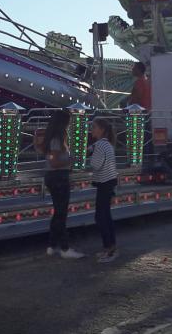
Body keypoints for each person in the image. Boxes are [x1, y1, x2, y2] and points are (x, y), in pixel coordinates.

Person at [42, 110, 84, 259]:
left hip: (55, 177)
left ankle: (52, 245)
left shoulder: (55, 138)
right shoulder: (57, 140)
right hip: (58, 177)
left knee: (58, 212)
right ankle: (65, 247)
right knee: (61, 213)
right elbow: (54, 162)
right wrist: (71, 161)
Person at [88, 119, 119, 263]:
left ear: (101, 130)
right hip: (109, 182)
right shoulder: (107, 144)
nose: (91, 130)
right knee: (106, 216)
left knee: (100, 218)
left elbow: (96, 165)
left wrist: (87, 160)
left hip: (104, 183)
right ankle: (110, 247)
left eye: (93, 127)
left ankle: (109, 250)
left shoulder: (100, 145)